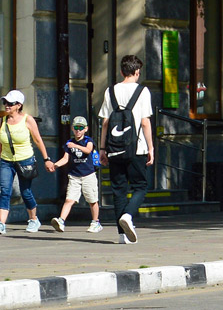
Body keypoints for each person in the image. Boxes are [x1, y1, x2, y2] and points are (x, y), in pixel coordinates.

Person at [98, 55, 155, 244]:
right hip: (136, 148)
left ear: (122, 71)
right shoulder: (143, 91)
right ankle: (128, 216)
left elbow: (105, 122)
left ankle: (122, 236)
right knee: (140, 186)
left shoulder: (110, 91)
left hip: (114, 148)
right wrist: (151, 147)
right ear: (137, 72)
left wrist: (102, 148)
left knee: (118, 190)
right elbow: (145, 122)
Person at [1, 89, 55, 234]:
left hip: (25, 160)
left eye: (10, 103)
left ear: (18, 105)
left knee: (25, 192)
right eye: (5, 102)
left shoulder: (27, 120)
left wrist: (47, 159)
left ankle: (33, 219)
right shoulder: (3, 120)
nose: (6, 105)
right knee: (4, 191)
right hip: (6, 161)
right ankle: (1, 223)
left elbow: (38, 140)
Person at [50, 116, 103, 233]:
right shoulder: (69, 143)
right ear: (72, 129)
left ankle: (96, 222)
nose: (78, 130)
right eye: (76, 128)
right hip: (74, 176)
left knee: (92, 200)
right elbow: (65, 158)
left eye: (81, 128)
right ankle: (61, 221)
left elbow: (88, 150)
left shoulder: (88, 140)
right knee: (69, 199)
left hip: (88, 174)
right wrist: (55, 165)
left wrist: (76, 146)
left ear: (86, 129)